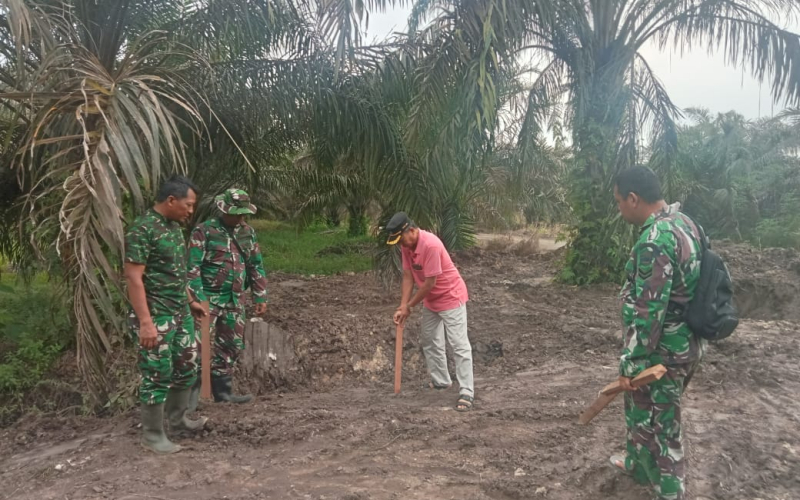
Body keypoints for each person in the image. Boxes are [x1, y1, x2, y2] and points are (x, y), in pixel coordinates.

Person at [611, 166, 707, 500]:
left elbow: (649, 311)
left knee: (664, 424)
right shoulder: (685, 223)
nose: (619, 209)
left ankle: (670, 490)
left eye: (620, 202)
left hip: (661, 352)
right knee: (639, 411)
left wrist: (632, 360)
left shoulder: (655, 240)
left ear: (634, 199)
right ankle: (637, 465)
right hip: (685, 343)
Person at [124, 175, 208, 455]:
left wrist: (190, 300)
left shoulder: (174, 228)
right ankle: (152, 435)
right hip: (156, 316)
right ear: (171, 200)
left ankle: (178, 420)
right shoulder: (142, 229)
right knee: (157, 374)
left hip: (180, 312)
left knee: (187, 366)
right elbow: (134, 278)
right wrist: (146, 323)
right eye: (189, 204)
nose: (190, 210)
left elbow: (174, 272)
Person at [187, 188, 268, 407]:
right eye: (236, 213)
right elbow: (192, 268)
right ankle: (191, 400)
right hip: (208, 300)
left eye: (243, 213)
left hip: (235, 300)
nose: (240, 217)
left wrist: (260, 295)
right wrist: (197, 299)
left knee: (230, 346)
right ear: (223, 210)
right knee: (197, 347)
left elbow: (255, 265)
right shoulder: (204, 231)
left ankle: (223, 394)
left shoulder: (247, 233)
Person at [388, 212, 475, 412]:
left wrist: (409, 307)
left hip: (450, 297)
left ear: (411, 230)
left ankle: (467, 391)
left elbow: (429, 284)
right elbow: (408, 277)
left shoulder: (431, 245)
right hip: (431, 301)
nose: (401, 245)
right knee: (430, 339)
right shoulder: (406, 246)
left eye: (401, 239)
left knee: (459, 344)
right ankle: (441, 381)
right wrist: (403, 306)